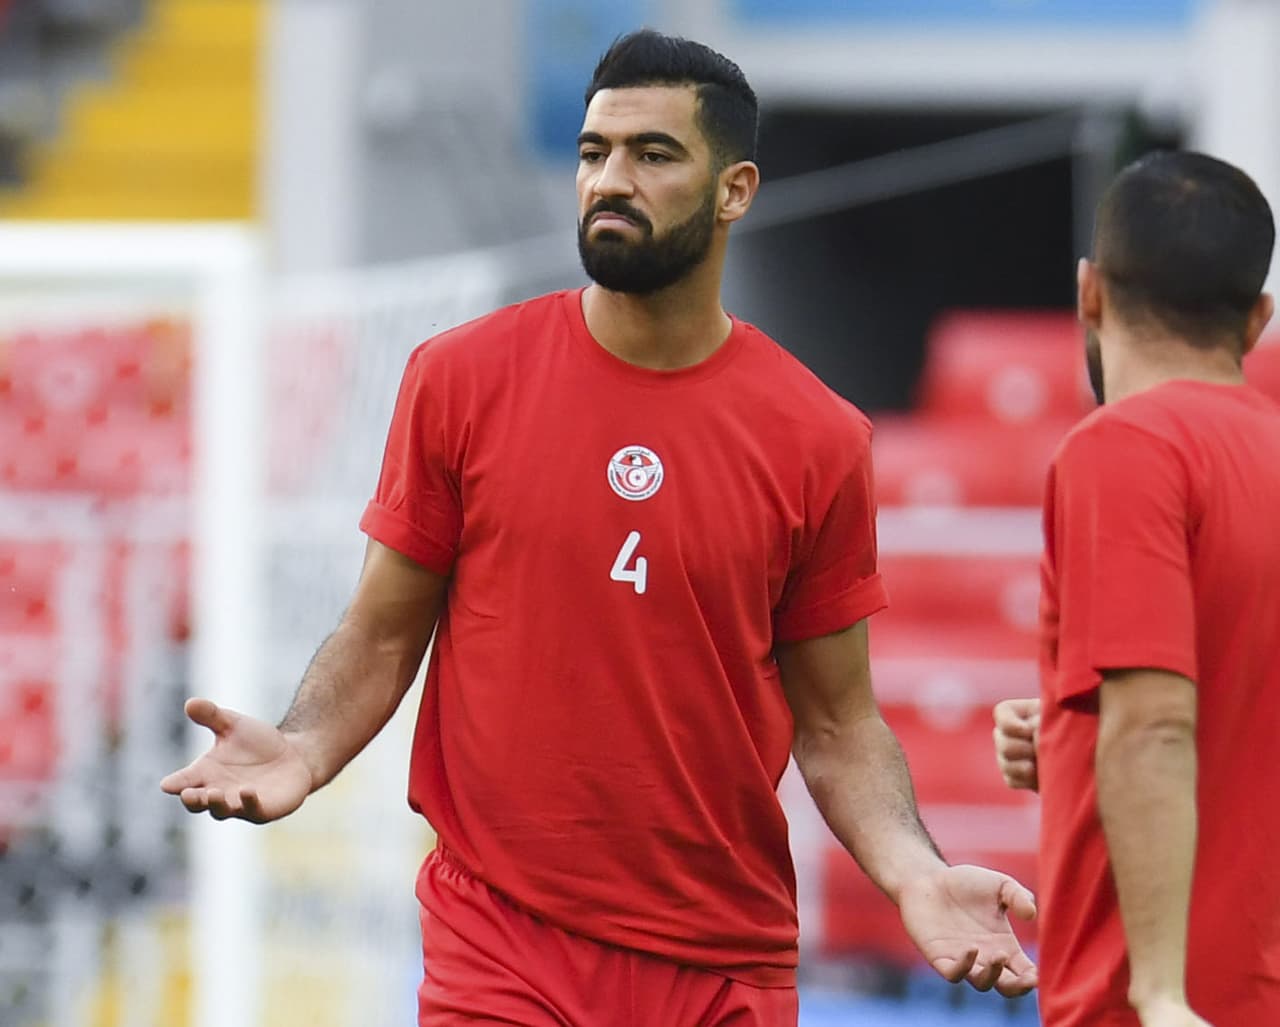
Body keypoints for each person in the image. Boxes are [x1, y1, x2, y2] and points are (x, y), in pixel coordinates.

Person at [162, 29, 1037, 1025]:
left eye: (652, 154)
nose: (611, 177)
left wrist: (913, 872)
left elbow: (837, 721)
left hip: (720, 964)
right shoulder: (459, 379)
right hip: (500, 945)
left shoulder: (817, 437)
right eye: (593, 152)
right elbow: (384, 626)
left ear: (734, 190)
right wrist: (305, 746)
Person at [993, 151, 1280, 1027]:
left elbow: (1157, 724)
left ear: (1090, 292)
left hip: (1154, 1002)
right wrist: (1080, 738)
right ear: (1258, 318)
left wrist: (1159, 992)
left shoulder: (1122, 448)